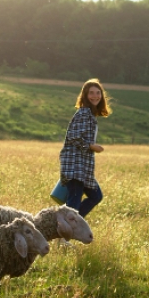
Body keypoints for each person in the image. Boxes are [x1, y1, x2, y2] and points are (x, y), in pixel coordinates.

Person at [59, 78, 110, 217]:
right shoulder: (84, 113)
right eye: (91, 93)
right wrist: (91, 146)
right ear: (85, 96)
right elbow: (73, 137)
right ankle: (66, 229)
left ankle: (71, 224)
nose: (95, 96)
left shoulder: (90, 114)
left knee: (96, 196)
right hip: (75, 166)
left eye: (98, 92)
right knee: (73, 204)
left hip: (83, 167)